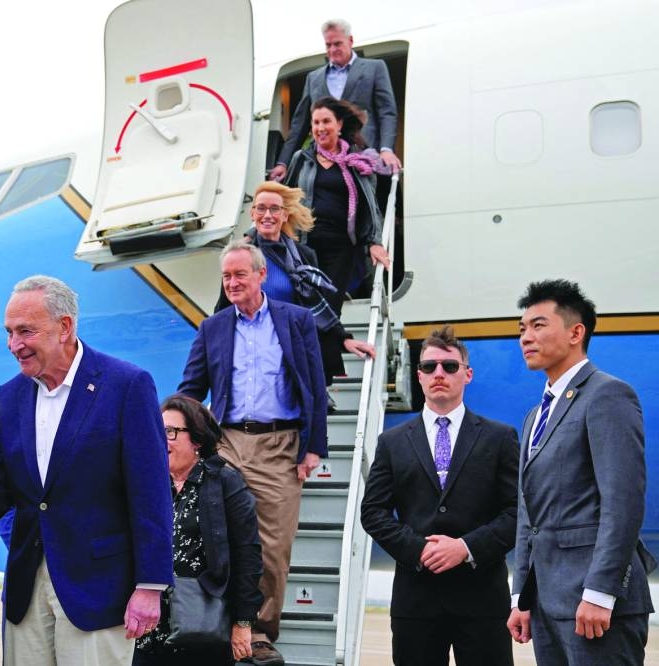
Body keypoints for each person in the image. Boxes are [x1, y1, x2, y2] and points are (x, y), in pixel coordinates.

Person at [0, 275, 173, 666]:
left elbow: (150, 493)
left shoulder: (126, 386)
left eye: (26, 331)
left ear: (64, 327)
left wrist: (150, 586)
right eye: (10, 332)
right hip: (27, 588)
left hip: (97, 590)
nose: (14, 345)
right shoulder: (9, 397)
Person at [178, 241, 328, 666]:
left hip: (279, 443)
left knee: (274, 543)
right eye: (226, 276)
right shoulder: (214, 327)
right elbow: (191, 388)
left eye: (240, 274)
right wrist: (177, 433)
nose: (232, 283)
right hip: (224, 440)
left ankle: (260, 629)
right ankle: (216, 620)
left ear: (261, 276)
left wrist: (313, 446)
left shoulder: (295, 320)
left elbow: (315, 386)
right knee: (209, 531)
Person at [508, 279, 656, 665]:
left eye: (538, 325)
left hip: (594, 605)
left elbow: (622, 502)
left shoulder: (608, 395)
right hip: (546, 603)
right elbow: (529, 515)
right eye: (522, 328)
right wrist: (521, 595)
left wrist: (600, 591)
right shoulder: (534, 416)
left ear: (576, 332)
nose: (525, 336)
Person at [360, 325, 519, 665]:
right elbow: (372, 511)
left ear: (468, 374)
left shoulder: (500, 438)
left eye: (450, 366)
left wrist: (465, 548)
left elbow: (518, 512)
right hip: (416, 600)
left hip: (483, 601)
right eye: (429, 367)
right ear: (418, 376)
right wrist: (418, 549)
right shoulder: (393, 441)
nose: (439, 374)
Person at [134, 394, 263, 666]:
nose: (161, 439)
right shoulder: (147, 484)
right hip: (148, 628)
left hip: (203, 626)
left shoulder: (225, 483)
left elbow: (247, 555)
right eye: (157, 431)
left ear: (197, 440)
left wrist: (242, 622)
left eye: (170, 432)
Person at [220, 181, 376, 398]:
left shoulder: (303, 255)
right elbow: (223, 308)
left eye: (275, 209)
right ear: (252, 213)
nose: (268, 215)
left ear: (285, 215)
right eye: (261, 208)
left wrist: (344, 339)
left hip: (296, 352)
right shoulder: (239, 256)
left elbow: (317, 306)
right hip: (253, 354)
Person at [283, 97, 390, 319]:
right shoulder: (301, 159)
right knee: (306, 311)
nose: (320, 128)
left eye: (326, 121)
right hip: (305, 246)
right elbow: (283, 199)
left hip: (341, 249)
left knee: (329, 311)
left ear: (339, 124)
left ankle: (328, 350)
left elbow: (370, 207)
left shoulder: (356, 161)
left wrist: (375, 242)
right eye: (315, 123)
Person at [269, 18, 401, 182]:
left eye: (337, 44)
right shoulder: (313, 78)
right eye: (328, 45)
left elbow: (387, 113)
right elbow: (299, 125)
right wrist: (283, 162)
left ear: (350, 40)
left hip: (364, 157)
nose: (332, 49)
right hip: (324, 160)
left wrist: (386, 149)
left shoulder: (375, 68)